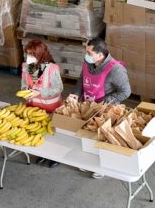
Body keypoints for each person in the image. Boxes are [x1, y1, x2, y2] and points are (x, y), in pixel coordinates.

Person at [68, 38, 131, 179]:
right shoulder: (88, 63)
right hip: (87, 105)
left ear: (100, 55)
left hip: (106, 110)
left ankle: (102, 167)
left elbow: (126, 91)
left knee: (102, 138)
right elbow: (81, 80)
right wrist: (75, 95)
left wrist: (105, 102)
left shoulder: (116, 69)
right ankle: (88, 162)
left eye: (89, 53)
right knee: (87, 135)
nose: (86, 55)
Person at [21, 39, 63, 168]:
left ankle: (55, 157)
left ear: (40, 55)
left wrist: (38, 93)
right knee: (38, 131)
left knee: (52, 134)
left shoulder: (52, 68)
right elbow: (23, 85)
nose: (28, 57)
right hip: (33, 107)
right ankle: (42, 154)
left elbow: (58, 89)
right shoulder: (26, 66)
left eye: (31, 55)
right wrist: (26, 91)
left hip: (50, 108)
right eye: (27, 54)